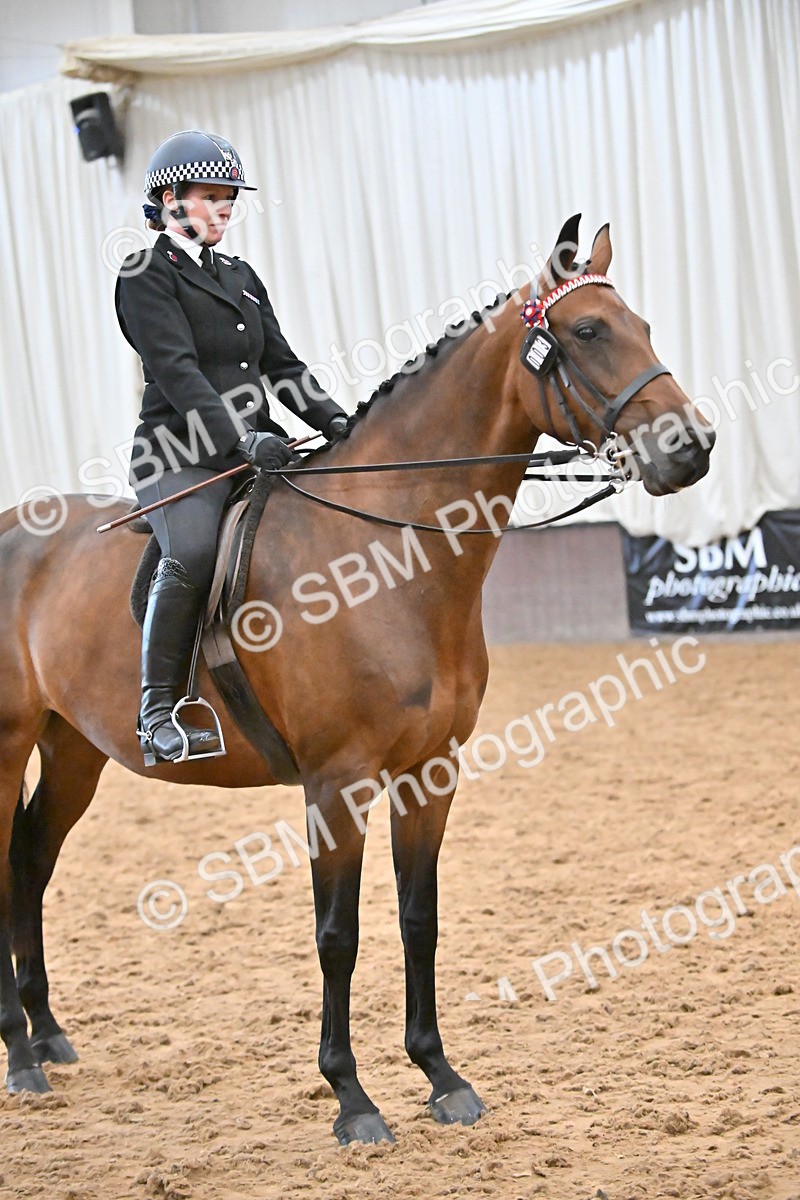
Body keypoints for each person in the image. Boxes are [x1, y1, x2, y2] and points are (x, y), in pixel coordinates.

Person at [115, 130, 348, 766]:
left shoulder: (240, 278)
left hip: (255, 449)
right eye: (210, 198)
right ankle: (157, 709)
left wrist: (340, 423)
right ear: (169, 202)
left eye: (228, 200)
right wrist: (240, 440)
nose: (222, 210)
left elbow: (283, 364)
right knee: (191, 549)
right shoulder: (143, 276)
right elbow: (178, 371)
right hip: (179, 453)